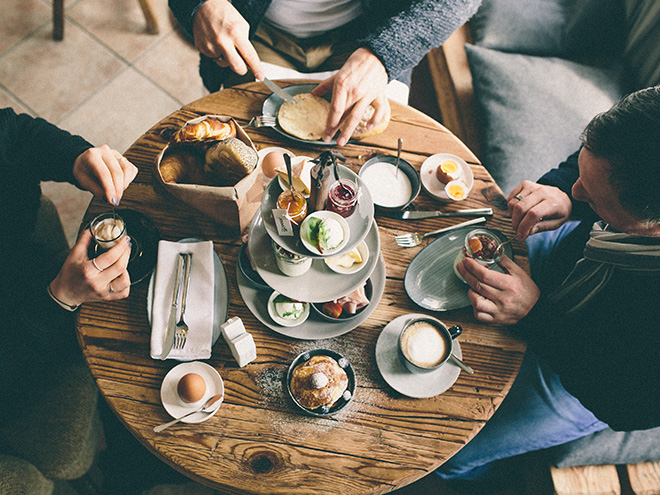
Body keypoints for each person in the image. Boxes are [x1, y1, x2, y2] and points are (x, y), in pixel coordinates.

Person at [437, 86, 660, 480]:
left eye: (593, 197)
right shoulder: (643, 132)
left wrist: (534, 316)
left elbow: (627, 405)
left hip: (589, 368)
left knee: (451, 448)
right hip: (568, 262)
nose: (578, 192)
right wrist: (562, 191)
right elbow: (592, 165)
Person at [169, 0, 481, 145]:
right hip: (257, 28)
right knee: (238, 149)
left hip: (370, 34)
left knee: (372, 156)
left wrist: (384, 55)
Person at [0, 107, 137, 420]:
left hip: (20, 261)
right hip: (20, 353)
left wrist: (74, 157)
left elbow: (14, 132)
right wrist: (59, 299)